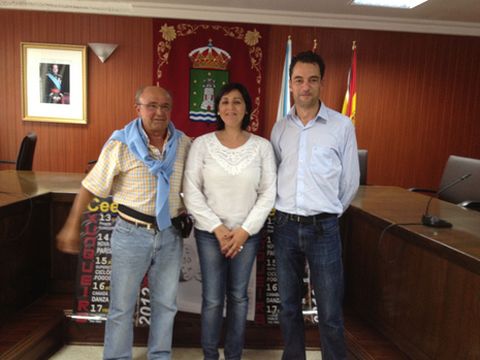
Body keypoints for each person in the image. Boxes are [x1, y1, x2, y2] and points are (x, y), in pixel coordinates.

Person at [56, 85, 191, 360]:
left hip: (170, 234)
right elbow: (90, 186)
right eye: (151, 105)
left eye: (165, 106)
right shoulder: (120, 144)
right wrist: (72, 226)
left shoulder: (185, 144)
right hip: (131, 234)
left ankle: (160, 355)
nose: (158, 112)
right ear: (138, 108)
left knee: (166, 304)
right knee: (121, 306)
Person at [270, 51, 360, 360]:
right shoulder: (280, 128)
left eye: (312, 80)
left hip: (324, 228)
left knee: (331, 309)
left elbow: (350, 182)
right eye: (298, 80)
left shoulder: (342, 126)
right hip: (284, 227)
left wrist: (328, 213)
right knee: (288, 305)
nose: (305, 87)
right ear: (291, 85)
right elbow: (277, 173)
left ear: (322, 83)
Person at [183, 83, 276, 360]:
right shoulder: (202, 145)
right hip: (210, 234)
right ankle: (210, 355)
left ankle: (234, 355)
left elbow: (269, 192)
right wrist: (219, 228)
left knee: (238, 297)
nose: (230, 107)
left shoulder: (262, 147)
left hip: (247, 235)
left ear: (247, 108)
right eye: (225, 101)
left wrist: (244, 231)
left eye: (237, 102)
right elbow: (191, 190)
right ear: (217, 107)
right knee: (212, 299)